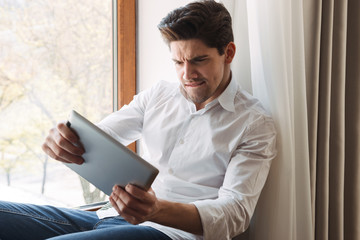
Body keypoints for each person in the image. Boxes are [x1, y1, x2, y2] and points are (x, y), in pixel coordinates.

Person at [0, 1, 276, 239]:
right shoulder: (159, 95)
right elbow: (100, 137)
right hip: (110, 218)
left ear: (228, 53)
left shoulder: (253, 124)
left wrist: (156, 210)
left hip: (172, 234)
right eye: (178, 63)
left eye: (199, 60)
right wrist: (65, 139)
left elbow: (236, 213)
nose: (187, 74)